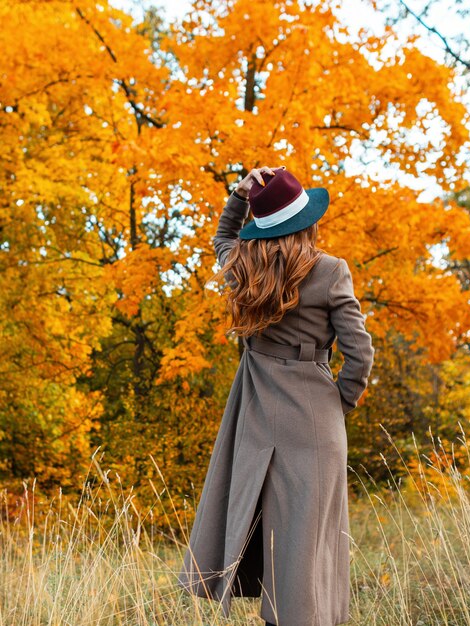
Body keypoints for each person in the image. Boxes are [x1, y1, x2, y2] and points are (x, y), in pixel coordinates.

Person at [178, 165, 375, 626]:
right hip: (314, 420)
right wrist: (338, 402)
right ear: (307, 220)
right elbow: (360, 354)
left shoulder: (245, 267)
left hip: (257, 412)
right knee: (305, 543)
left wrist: (238, 196)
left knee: (262, 523)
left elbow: (222, 236)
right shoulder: (330, 270)